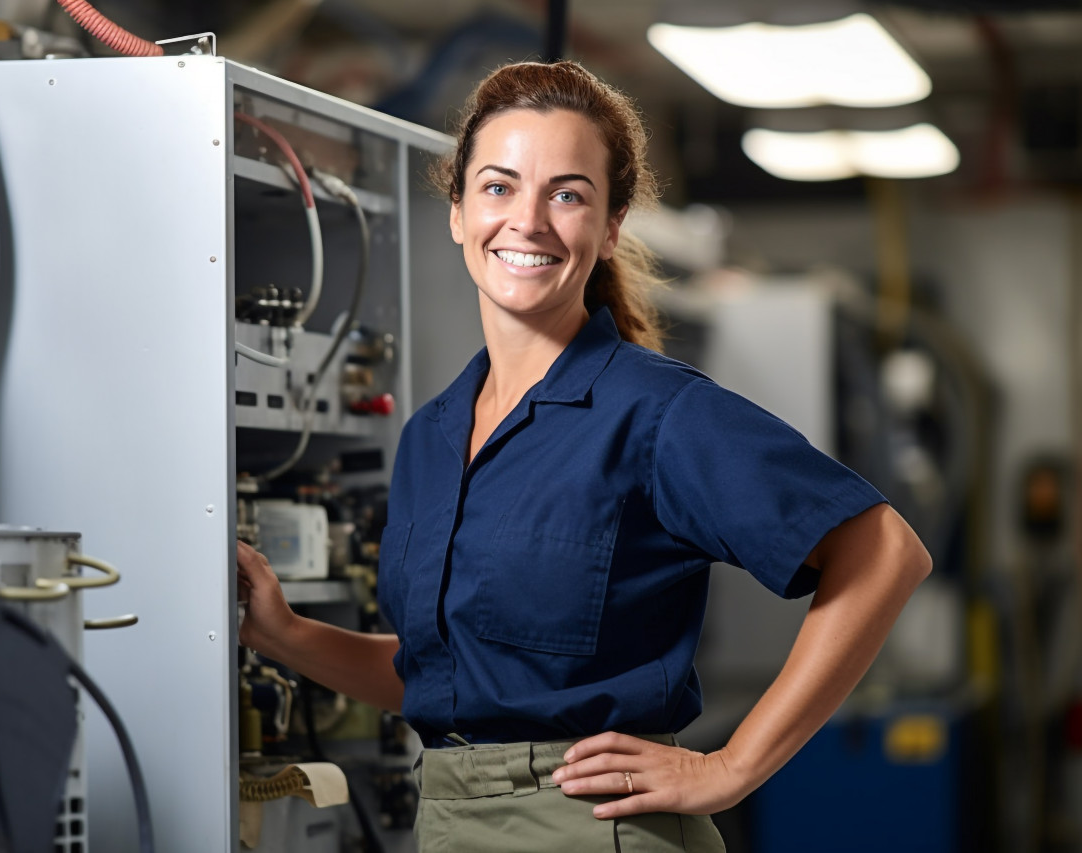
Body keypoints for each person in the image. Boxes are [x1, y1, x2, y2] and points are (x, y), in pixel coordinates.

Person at [236, 59, 932, 851]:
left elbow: (883, 551)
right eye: (498, 187)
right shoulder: (432, 434)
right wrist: (286, 634)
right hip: (447, 822)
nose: (526, 220)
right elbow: (451, 678)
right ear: (458, 212)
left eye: (566, 194)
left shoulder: (655, 412)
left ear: (608, 229)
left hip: (592, 826)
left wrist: (733, 766)